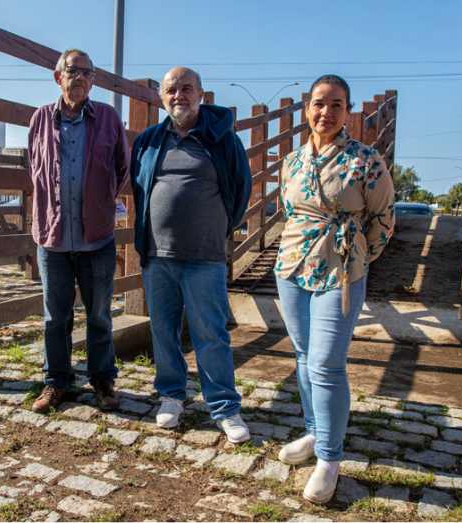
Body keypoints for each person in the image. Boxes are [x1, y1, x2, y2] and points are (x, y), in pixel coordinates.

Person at [274, 75, 395, 503]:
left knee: (327, 361)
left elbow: (382, 220)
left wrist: (356, 255)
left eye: (337, 105)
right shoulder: (291, 160)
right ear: (308, 109)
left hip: (341, 272)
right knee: (305, 356)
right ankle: (313, 431)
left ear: (347, 111)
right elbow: (289, 210)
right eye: (319, 104)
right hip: (291, 267)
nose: (326, 112)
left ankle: (329, 458)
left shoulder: (366, 160)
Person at [130, 67, 252, 443]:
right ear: (161, 97)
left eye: (187, 88)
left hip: (204, 255)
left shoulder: (222, 139)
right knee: (163, 330)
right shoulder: (149, 140)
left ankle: (225, 408)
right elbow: (139, 189)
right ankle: (171, 396)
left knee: (210, 333)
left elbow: (241, 191)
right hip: (158, 255)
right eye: (171, 90)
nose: (179, 95)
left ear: (201, 93)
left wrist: (216, 229)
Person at [27, 48, 129, 414]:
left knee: (99, 315)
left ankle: (102, 380)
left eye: (89, 72)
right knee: (55, 317)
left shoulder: (107, 117)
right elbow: (34, 169)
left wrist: (98, 203)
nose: (82, 77)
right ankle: (56, 383)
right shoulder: (40, 119)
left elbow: (122, 168)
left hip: (96, 236)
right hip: (52, 238)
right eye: (74, 71)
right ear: (59, 76)